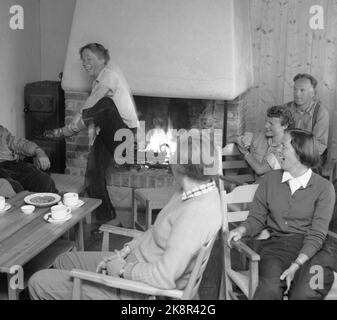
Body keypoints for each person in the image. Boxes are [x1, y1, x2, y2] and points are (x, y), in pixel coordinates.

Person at [28, 132, 223, 300]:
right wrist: (125, 251)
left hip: (138, 291)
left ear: (181, 166)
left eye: (173, 154)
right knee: (63, 260)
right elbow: (155, 231)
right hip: (134, 262)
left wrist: (122, 270)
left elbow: (164, 277)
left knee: (38, 281)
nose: (169, 157)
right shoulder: (192, 191)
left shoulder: (195, 215)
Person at [227, 129, 335, 300]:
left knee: (304, 293)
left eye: (283, 147)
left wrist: (296, 264)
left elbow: (317, 234)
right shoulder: (269, 180)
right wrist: (241, 230)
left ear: (300, 153)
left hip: (315, 251)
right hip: (276, 248)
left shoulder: (324, 189)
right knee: (268, 290)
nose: (277, 150)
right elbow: (256, 218)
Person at [44, 43, 139, 224]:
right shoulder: (97, 82)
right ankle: (109, 219)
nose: (85, 63)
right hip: (108, 135)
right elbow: (92, 105)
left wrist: (71, 127)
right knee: (92, 176)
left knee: (105, 104)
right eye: (83, 59)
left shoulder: (110, 75)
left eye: (89, 59)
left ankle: (67, 132)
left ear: (103, 60)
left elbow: (95, 101)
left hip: (125, 137)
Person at [235, 105, 295, 177]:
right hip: (251, 183)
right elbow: (236, 138)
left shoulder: (286, 149)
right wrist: (240, 139)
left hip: (271, 187)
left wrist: (246, 153)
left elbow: (260, 170)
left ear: (285, 125)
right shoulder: (260, 136)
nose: (266, 126)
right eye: (266, 122)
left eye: (271, 123)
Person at [284, 73, 329, 162]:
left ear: (312, 93)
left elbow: (319, 146)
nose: (297, 94)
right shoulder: (285, 109)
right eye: (295, 89)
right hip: (287, 153)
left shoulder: (320, 113)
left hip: (311, 156)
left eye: (302, 90)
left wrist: (298, 158)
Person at [0, 125, 57, 193]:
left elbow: (19, 143)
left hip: (9, 164)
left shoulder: (2, 131)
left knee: (44, 181)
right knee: (13, 188)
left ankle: (54, 202)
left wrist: (38, 151)